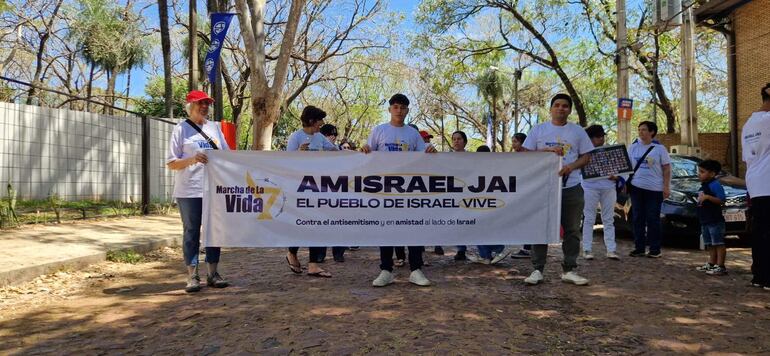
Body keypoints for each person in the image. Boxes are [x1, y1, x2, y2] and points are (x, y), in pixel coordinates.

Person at [362, 93, 437, 287]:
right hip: (385, 190)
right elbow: (366, 155)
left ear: (407, 110)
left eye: (403, 107)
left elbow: (424, 157)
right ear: (389, 109)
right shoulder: (378, 131)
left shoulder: (413, 134)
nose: (399, 110)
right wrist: (364, 150)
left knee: (412, 228)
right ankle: (386, 270)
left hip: (409, 191)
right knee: (386, 229)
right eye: (395, 106)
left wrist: (430, 151)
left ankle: (416, 270)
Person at [520, 94, 594, 286]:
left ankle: (569, 269)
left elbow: (587, 157)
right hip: (543, 187)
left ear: (569, 110)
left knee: (572, 230)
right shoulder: (538, 130)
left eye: (565, 106)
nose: (561, 108)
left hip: (572, 187)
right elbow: (525, 154)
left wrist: (571, 166)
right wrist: (545, 153)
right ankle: (537, 269)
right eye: (557, 105)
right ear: (551, 108)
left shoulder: (578, 132)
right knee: (540, 227)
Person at [166, 90, 230, 293]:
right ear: (190, 106)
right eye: (200, 104)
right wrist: (193, 159)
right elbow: (171, 163)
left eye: (207, 104)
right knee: (191, 232)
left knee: (213, 231)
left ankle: (213, 273)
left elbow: (227, 155)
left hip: (213, 189)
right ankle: (192, 275)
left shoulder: (215, 129)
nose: (204, 107)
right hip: (189, 190)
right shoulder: (181, 129)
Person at [286, 105, 338, 277]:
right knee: (302, 223)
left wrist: (354, 154)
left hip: (318, 187)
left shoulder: (320, 137)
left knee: (317, 223)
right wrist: (298, 153)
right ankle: (291, 252)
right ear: (311, 121)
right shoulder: (296, 137)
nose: (322, 124)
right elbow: (285, 162)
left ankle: (314, 264)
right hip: (300, 188)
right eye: (319, 120)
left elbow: (335, 151)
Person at [627, 121, 671, 258]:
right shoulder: (633, 147)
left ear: (652, 132)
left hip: (654, 189)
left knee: (653, 219)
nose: (641, 132)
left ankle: (655, 249)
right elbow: (626, 166)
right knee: (637, 218)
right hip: (636, 187)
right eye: (639, 129)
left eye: (644, 130)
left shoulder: (659, 149)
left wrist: (666, 186)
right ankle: (639, 247)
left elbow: (667, 168)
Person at [742, 83, 770, 289]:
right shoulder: (768, 121)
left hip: (756, 183)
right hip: (768, 182)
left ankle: (759, 275)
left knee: (760, 231)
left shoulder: (748, 124)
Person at [581, 125, 620, 260]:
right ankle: (587, 249)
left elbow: (622, 168)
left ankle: (611, 249)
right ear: (590, 138)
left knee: (608, 218)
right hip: (589, 187)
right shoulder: (583, 151)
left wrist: (617, 177)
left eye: (602, 136)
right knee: (589, 218)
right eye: (598, 137)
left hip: (608, 187)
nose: (601, 139)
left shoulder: (611, 150)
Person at [467, 141, 508, 264]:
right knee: (482, 229)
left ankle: (496, 252)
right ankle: (487, 255)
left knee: (483, 229)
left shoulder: (489, 169)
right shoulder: (492, 168)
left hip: (486, 204)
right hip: (482, 204)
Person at [693, 160, 728, 275]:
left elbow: (721, 200)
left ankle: (721, 265)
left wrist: (708, 197)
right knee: (710, 243)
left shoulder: (715, 185)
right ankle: (711, 263)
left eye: (702, 172)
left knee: (718, 242)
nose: (699, 174)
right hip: (705, 219)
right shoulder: (704, 185)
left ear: (712, 174)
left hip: (714, 219)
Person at [319, 123, 347, 263]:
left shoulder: (340, 151)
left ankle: (339, 252)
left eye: (335, 134)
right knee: (320, 223)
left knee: (340, 223)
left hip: (338, 192)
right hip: (321, 192)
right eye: (330, 134)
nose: (333, 137)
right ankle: (319, 253)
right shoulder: (316, 152)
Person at [510, 132, 533, 259]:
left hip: (529, 193)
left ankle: (528, 248)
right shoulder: (514, 157)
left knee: (529, 219)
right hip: (518, 193)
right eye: (512, 141)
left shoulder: (531, 156)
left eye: (515, 141)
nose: (513, 144)